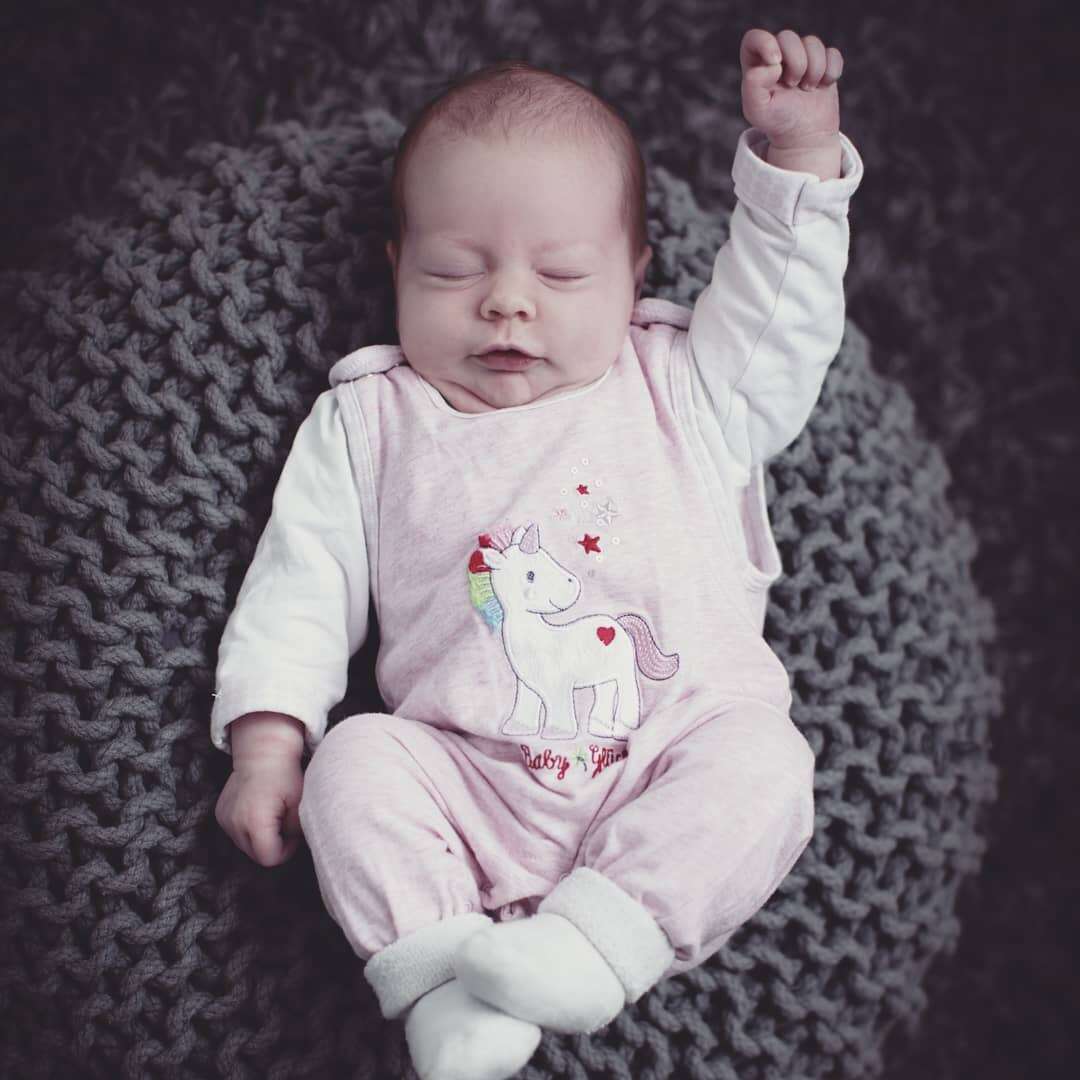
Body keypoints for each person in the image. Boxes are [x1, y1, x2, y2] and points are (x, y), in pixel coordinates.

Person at [212, 27, 863, 1080]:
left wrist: (797, 159)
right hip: (465, 778)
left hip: (666, 761)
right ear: (397, 269)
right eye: (451, 269)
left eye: (561, 272)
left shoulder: (689, 387)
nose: (507, 300)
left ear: (633, 278)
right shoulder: (371, 422)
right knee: (357, 762)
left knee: (767, 765)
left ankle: (595, 947)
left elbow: (786, 313)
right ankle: (444, 989)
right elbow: (301, 584)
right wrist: (267, 740)